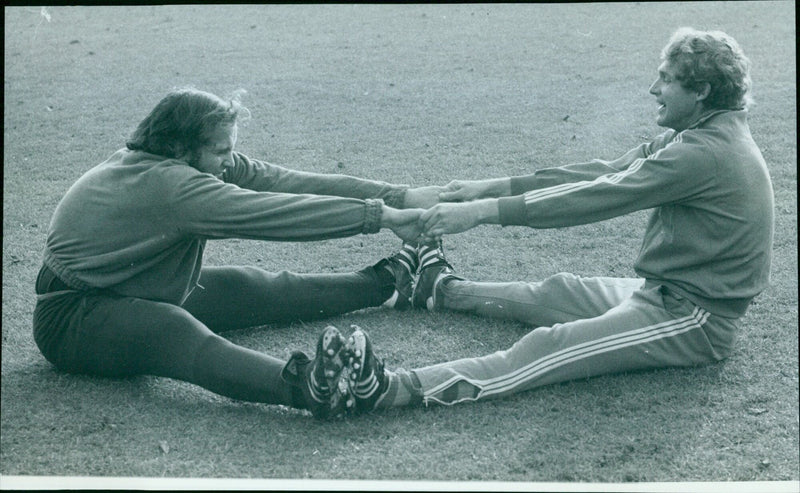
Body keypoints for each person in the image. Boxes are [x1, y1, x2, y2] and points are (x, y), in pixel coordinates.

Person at [316, 27, 774, 414]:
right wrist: (487, 186)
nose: (655, 90)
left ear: (702, 91)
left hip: (693, 319)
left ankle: (392, 388)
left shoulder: (704, 153)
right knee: (556, 290)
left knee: (547, 347)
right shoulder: (699, 134)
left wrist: (481, 213)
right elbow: (602, 172)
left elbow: (594, 196)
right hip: (663, 295)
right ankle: (437, 289)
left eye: (667, 80)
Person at [32, 87, 443, 419]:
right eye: (221, 151)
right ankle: (309, 387)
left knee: (250, 286)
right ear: (180, 146)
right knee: (173, 329)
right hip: (71, 319)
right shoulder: (172, 187)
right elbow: (273, 213)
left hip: (124, 288)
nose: (229, 161)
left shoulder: (173, 160)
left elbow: (282, 182)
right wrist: (381, 216)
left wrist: (396, 196)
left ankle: (390, 283)